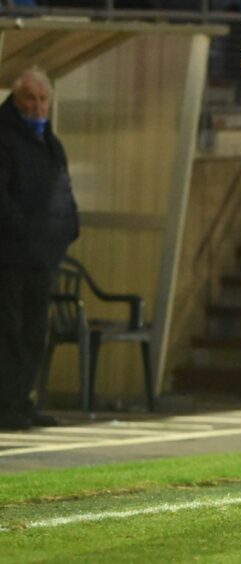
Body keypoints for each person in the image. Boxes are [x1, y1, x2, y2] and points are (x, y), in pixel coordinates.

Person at [0, 67, 79, 430]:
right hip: (11, 257)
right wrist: (26, 233)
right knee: (8, 333)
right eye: (29, 99)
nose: (37, 106)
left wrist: (68, 229)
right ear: (16, 101)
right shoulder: (4, 138)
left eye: (42, 99)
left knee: (34, 333)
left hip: (43, 258)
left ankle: (23, 400)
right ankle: (6, 404)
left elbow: (62, 192)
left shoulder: (51, 142)